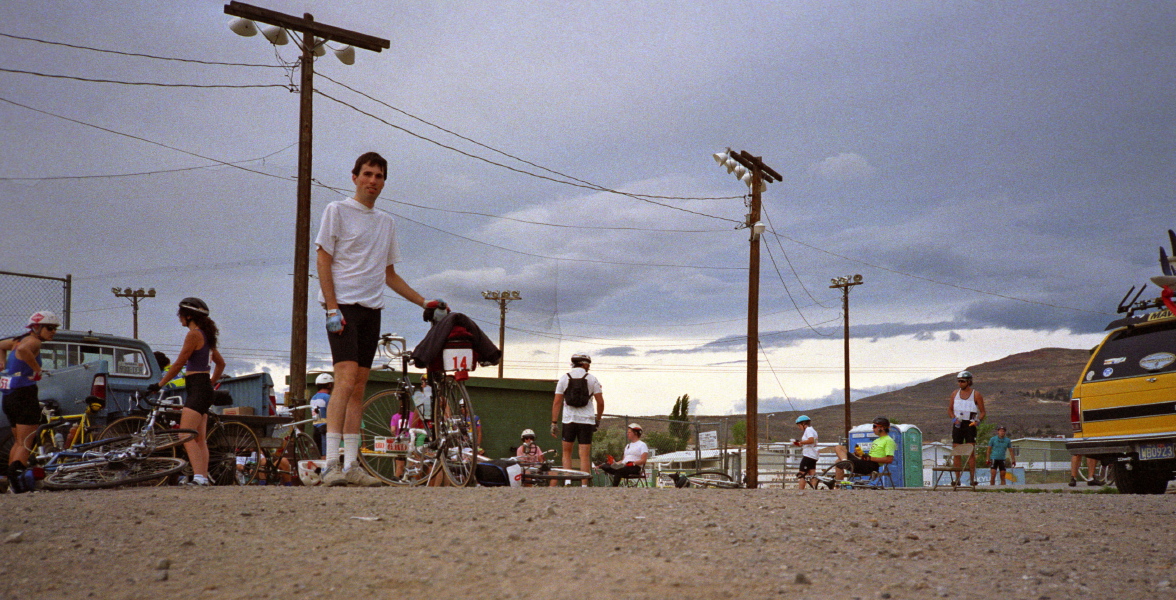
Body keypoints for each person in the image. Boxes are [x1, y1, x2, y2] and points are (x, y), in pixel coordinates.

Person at [315, 151, 444, 487]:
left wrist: (422, 300)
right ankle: (330, 464)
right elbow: (323, 259)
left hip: (372, 309)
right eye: (368, 174)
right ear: (355, 176)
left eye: (379, 176)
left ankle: (351, 466)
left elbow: (389, 273)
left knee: (358, 386)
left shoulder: (385, 222)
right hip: (342, 306)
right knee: (342, 382)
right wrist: (331, 308)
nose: (373, 181)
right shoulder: (337, 210)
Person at [149, 298, 224, 487]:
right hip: (203, 387)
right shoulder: (206, 335)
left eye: (180, 314)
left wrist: (159, 384)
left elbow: (180, 362)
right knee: (199, 438)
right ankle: (202, 477)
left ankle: (198, 478)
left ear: (189, 315)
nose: (179, 318)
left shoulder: (193, 335)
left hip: (198, 388)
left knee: (185, 435)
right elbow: (221, 364)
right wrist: (211, 383)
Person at [3, 311, 60, 493]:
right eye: (50, 328)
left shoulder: (17, 340)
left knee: (18, 442)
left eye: (55, 328)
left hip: (9, 395)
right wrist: (37, 369)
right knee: (27, 442)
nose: (53, 332)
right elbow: (22, 351)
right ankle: (18, 482)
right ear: (36, 327)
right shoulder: (33, 342)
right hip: (24, 395)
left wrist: (2, 363)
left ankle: (13, 481)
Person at [550, 352, 604, 487]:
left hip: (569, 420)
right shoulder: (592, 379)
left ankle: (568, 481)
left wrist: (554, 422)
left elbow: (557, 402)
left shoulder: (564, 378)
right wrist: (598, 418)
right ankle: (584, 484)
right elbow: (600, 402)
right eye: (588, 364)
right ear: (584, 364)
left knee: (567, 452)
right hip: (586, 420)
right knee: (584, 455)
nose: (589, 367)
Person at [949, 370, 986, 485]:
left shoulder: (976, 394)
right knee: (957, 451)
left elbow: (983, 412)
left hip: (970, 423)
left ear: (969, 382)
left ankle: (972, 478)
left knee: (970, 451)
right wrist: (954, 419)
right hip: (958, 423)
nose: (960, 383)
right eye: (958, 381)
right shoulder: (955, 393)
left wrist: (977, 421)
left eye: (962, 381)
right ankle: (957, 478)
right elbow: (950, 409)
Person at [832, 416, 896, 483]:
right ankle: (844, 461)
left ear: (882, 428)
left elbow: (889, 459)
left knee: (838, 462)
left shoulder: (889, 441)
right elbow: (871, 455)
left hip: (871, 466)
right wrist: (859, 454)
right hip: (865, 462)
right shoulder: (877, 440)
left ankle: (837, 484)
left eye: (874, 426)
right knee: (839, 447)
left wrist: (869, 458)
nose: (873, 428)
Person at [309, 373, 333, 458]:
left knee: (320, 455)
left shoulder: (313, 398)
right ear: (329, 385)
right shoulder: (328, 397)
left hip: (316, 428)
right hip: (325, 429)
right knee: (326, 455)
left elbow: (316, 416)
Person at [792, 415, 819, 490]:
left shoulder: (808, 430)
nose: (799, 427)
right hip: (813, 455)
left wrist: (801, 442)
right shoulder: (812, 430)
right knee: (812, 474)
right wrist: (800, 443)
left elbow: (811, 440)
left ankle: (800, 490)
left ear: (803, 423)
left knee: (802, 474)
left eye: (799, 425)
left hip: (808, 455)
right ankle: (814, 489)